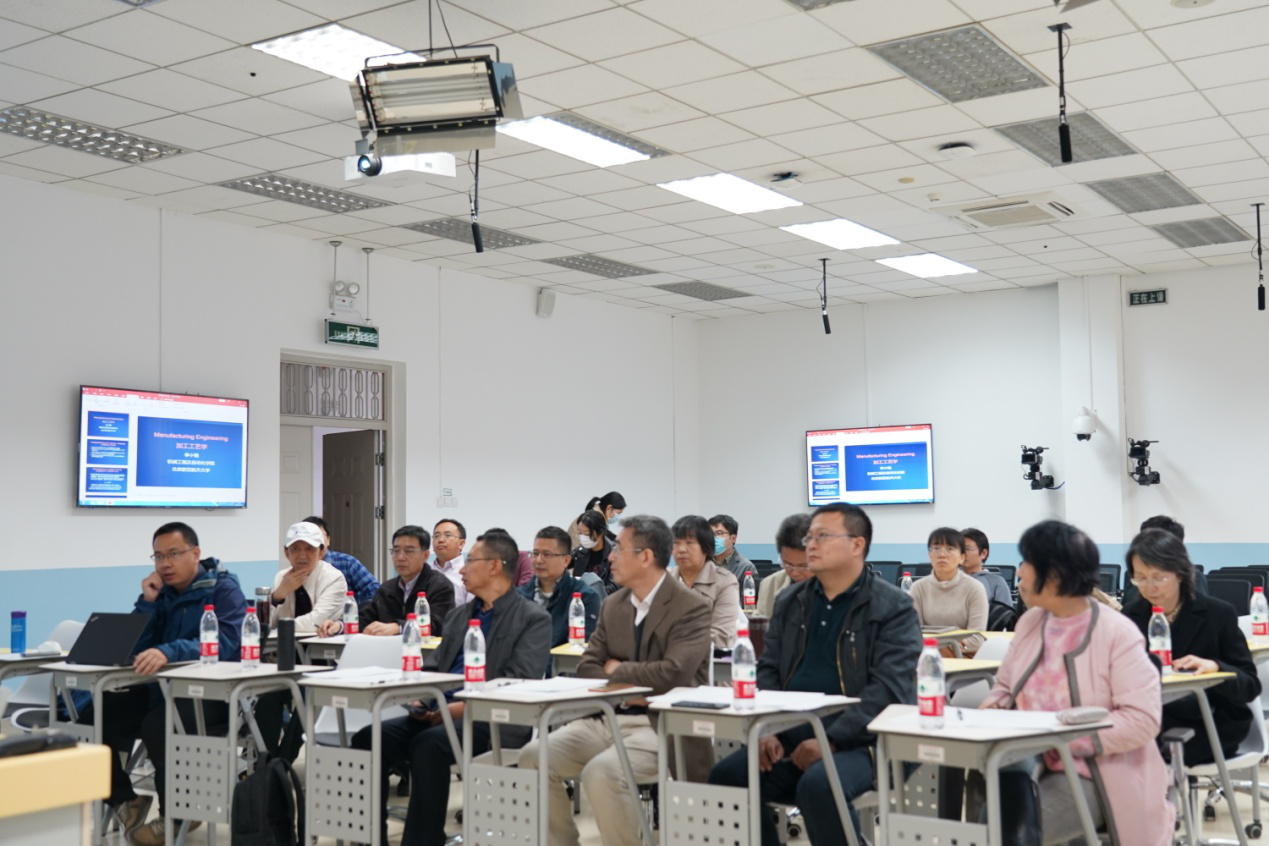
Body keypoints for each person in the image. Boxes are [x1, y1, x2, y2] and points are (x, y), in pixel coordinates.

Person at [709, 502, 922, 846]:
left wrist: (831, 740)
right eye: (810, 537)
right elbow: (769, 670)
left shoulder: (893, 606)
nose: (811, 544)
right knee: (727, 776)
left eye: (823, 536)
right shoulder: (791, 600)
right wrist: (768, 728)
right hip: (794, 734)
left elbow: (889, 690)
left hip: (869, 741)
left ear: (857, 545)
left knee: (819, 784)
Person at [519, 515, 711, 846]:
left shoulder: (690, 607)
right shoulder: (614, 604)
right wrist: (628, 681)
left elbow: (673, 674)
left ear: (645, 557)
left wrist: (616, 670)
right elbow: (587, 666)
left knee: (602, 773)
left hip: (661, 725)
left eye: (619, 549)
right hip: (605, 718)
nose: (609, 556)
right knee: (533, 756)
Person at [352, 530, 551, 846]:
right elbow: (433, 668)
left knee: (428, 746)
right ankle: (370, 839)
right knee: (369, 737)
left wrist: (457, 708)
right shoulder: (460, 616)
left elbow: (518, 681)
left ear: (494, 566)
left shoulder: (532, 618)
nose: (462, 569)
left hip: (494, 720)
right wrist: (421, 700)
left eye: (470, 561)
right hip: (439, 712)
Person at [981, 520, 1174, 846]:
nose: (1020, 574)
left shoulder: (1116, 632)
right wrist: (991, 713)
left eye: (1027, 564)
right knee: (981, 820)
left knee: (1010, 831)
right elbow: (1003, 689)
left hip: (1097, 772)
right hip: (1027, 760)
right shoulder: (1030, 622)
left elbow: (1142, 719)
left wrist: (1061, 741)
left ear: (1055, 574)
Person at [101, 522, 246, 846]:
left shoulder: (223, 589)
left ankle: (178, 816)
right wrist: (147, 602)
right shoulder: (162, 594)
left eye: (173, 554)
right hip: (163, 689)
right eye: (158, 556)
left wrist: (169, 651)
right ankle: (125, 799)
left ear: (195, 554)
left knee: (159, 725)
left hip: (214, 694)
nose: (165, 563)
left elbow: (226, 643)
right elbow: (136, 644)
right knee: (95, 716)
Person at [1123, 528, 1260, 765]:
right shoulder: (1130, 616)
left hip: (1212, 721)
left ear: (1180, 573)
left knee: (1145, 754)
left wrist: (1217, 667)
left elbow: (1250, 686)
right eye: (1141, 578)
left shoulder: (1217, 613)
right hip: (1152, 717)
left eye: (1158, 578)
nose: (1149, 587)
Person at [316, 525, 455, 637]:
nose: (400, 557)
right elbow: (366, 617)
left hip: (426, 656)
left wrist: (398, 627)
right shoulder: (387, 588)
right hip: (388, 654)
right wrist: (339, 625)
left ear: (425, 555)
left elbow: (437, 624)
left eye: (409, 551)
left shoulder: (440, 585)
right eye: (396, 550)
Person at [516, 525, 602, 649]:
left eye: (547, 554)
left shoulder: (585, 598)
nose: (539, 560)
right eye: (535, 553)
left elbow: (582, 650)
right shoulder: (518, 597)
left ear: (566, 560)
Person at [908, 527, 988, 654]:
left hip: (963, 655)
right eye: (936, 548)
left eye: (950, 549)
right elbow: (914, 633)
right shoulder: (918, 588)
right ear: (929, 555)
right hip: (926, 652)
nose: (942, 554)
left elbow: (977, 639)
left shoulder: (974, 588)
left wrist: (945, 646)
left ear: (962, 557)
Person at [671, 515, 741, 648]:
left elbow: (721, 636)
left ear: (706, 547)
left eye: (689, 543)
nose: (681, 549)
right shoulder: (663, 579)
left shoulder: (724, 582)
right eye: (676, 543)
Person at [270, 521, 347, 633]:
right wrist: (277, 596)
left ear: (321, 552)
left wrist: (280, 628)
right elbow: (264, 624)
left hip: (322, 643)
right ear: (286, 553)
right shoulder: (281, 577)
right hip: (285, 642)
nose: (302, 555)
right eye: (295, 549)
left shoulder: (334, 578)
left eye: (309, 548)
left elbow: (315, 622)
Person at [303, 514, 379, 605]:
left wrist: (357, 610)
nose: (314, 541)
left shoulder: (348, 563)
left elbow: (375, 591)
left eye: (318, 535)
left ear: (328, 540)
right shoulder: (298, 567)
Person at [756, 513, 813, 618]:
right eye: (788, 564)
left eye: (803, 566)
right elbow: (762, 625)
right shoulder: (770, 585)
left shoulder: (838, 587)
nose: (795, 573)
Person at [960, 528, 1011, 606]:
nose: (962, 553)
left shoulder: (996, 582)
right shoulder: (948, 579)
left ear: (983, 553)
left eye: (968, 549)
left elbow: (1005, 612)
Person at [709, 513, 761, 588]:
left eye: (719, 533)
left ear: (733, 538)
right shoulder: (701, 563)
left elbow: (749, 594)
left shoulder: (746, 567)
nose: (713, 538)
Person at [571, 509, 616, 593]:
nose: (583, 537)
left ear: (601, 532)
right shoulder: (581, 551)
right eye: (580, 533)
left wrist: (589, 594)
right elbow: (563, 562)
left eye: (587, 534)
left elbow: (613, 587)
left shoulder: (614, 554)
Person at [431, 518, 470, 605]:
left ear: (461, 544)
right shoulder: (423, 570)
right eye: (436, 536)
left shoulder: (470, 572)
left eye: (448, 535)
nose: (440, 540)